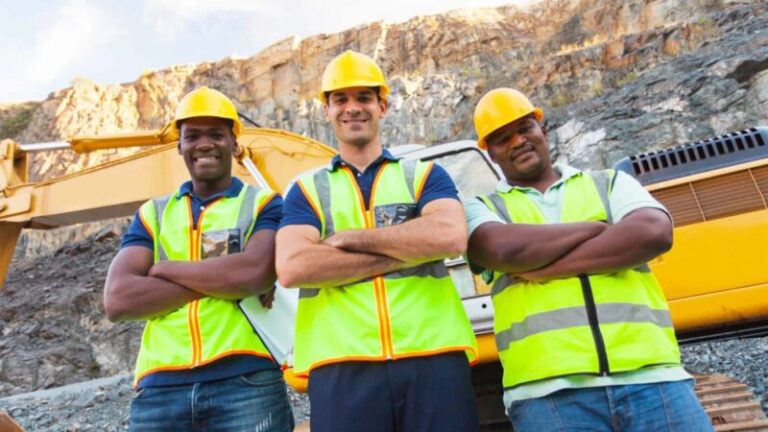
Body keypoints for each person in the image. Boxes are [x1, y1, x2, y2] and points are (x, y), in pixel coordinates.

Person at [464, 87, 713, 431]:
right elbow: (503, 251)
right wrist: (596, 227)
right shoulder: (485, 208)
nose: (518, 141)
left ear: (543, 130)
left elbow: (654, 232)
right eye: (503, 138)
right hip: (549, 392)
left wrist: (546, 267)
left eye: (525, 129)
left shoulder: (609, 182)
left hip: (652, 377)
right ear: (490, 152)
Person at [276, 50, 479, 432]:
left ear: (382, 105)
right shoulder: (307, 190)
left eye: (364, 98)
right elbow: (294, 266)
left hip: (433, 357)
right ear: (327, 111)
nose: (353, 108)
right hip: (341, 366)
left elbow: (450, 235)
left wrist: (348, 239)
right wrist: (407, 249)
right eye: (341, 99)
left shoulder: (424, 174)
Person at [104, 86, 294, 431]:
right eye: (192, 136)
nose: (204, 144)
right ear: (179, 146)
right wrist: (223, 279)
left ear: (234, 143)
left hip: (246, 380)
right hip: (159, 388)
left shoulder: (264, 204)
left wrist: (163, 270)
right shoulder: (153, 214)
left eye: (216, 135)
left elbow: (254, 275)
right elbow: (118, 300)